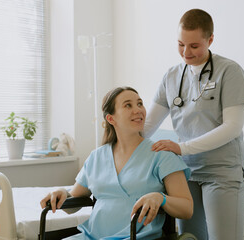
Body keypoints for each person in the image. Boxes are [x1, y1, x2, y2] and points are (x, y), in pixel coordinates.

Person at [144, 9, 244, 240]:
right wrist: (117, 141)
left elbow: (232, 126)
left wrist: (182, 148)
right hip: (185, 173)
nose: (186, 52)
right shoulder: (171, 76)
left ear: (210, 39)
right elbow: (148, 124)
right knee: (190, 238)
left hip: (221, 171)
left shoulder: (229, 71)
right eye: (181, 44)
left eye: (194, 46)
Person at [41, 86, 193, 239]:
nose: (138, 110)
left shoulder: (162, 154)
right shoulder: (96, 157)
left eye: (140, 104)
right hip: (92, 236)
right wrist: (62, 193)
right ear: (111, 119)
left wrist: (161, 198)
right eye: (128, 105)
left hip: (137, 237)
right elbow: (73, 203)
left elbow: (187, 208)